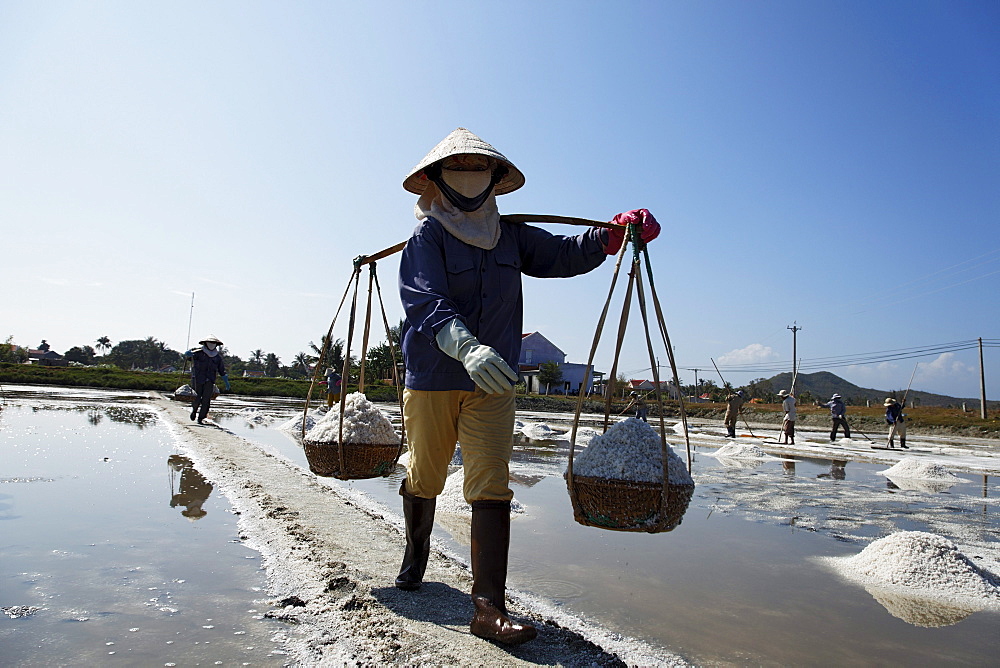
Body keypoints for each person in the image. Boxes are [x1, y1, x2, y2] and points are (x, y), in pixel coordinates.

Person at [395, 128, 659, 645]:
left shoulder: (509, 235)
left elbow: (561, 254)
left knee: (491, 482)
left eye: (479, 170)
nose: (469, 179)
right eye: (458, 169)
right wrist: (468, 347)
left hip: (495, 381)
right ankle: (415, 554)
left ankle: (487, 607)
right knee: (426, 474)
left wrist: (611, 236)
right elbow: (424, 302)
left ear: (495, 179)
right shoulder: (427, 237)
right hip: (435, 377)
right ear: (434, 179)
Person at [183, 336, 229, 424]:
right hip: (197, 379)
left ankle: (201, 418)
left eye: (213, 343)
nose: (211, 345)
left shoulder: (217, 357)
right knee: (196, 397)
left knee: (206, 400)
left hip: (210, 380)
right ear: (205, 344)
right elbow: (188, 357)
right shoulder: (198, 353)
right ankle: (194, 411)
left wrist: (226, 381)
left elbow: (221, 370)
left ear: (216, 345)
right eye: (210, 343)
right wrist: (187, 354)